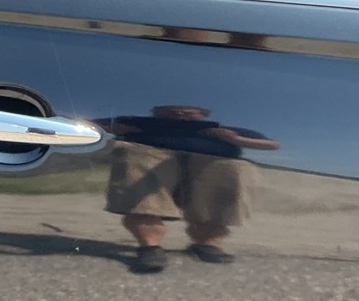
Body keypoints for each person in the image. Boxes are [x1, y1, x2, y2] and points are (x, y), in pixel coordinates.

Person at [98, 105, 279, 273]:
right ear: (156, 112)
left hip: (212, 160)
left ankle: (206, 243)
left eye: (188, 111)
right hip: (151, 154)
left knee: (234, 169)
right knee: (137, 156)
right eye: (171, 110)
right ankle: (150, 246)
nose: (179, 113)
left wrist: (236, 139)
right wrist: (113, 127)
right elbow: (90, 124)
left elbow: (272, 145)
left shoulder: (225, 129)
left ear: (204, 115)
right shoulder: (137, 122)